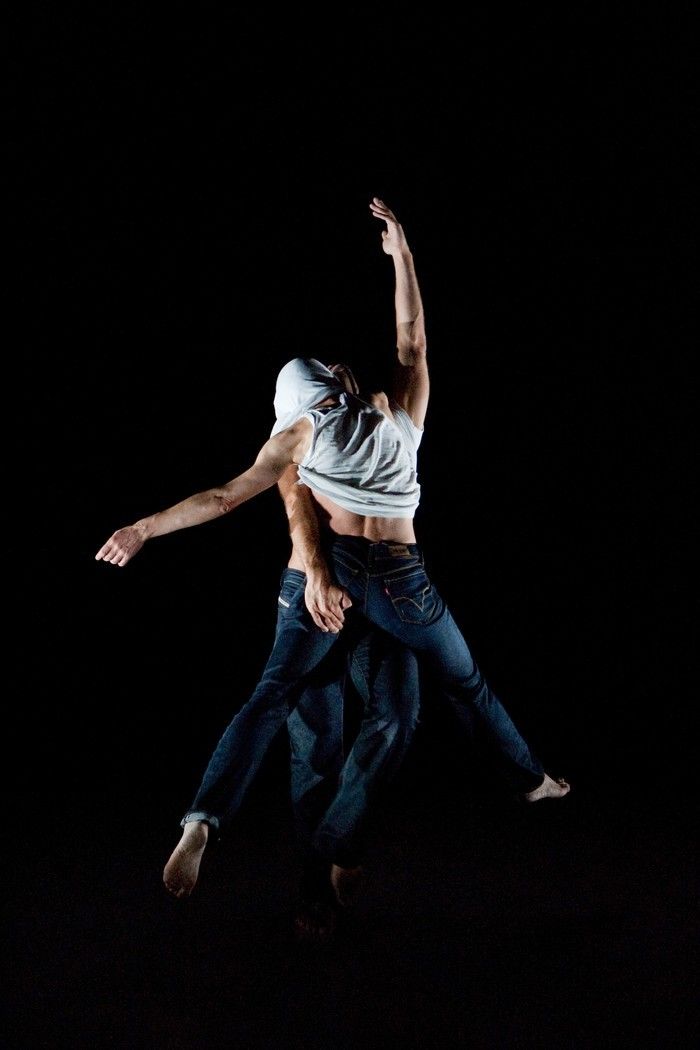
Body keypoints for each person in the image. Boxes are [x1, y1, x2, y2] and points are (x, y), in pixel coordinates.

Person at [95, 197, 569, 922]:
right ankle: (528, 779)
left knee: (276, 696)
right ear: (329, 382)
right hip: (399, 580)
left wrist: (142, 529)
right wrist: (402, 256)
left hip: (332, 574)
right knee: (464, 686)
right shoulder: (394, 413)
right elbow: (412, 339)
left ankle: (204, 820)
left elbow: (226, 496)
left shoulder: (301, 436)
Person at [277, 464, 421, 941]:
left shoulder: (383, 408)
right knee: (315, 744)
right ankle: (315, 891)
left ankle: (340, 839)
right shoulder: (310, 401)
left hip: (382, 581)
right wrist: (316, 569)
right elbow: (291, 487)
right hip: (314, 583)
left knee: (397, 713)